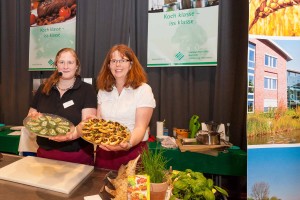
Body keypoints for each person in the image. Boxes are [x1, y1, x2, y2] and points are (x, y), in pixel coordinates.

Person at [27, 48, 97, 165]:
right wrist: (33, 119)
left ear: (76, 66)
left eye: (70, 62)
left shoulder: (87, 90)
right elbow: (30, 116)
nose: (66, 66)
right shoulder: (43, 89)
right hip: (45, 155)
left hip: (77, 156)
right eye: (62, 62)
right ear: (56, 65)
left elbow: (87, 124)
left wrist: (71, 136)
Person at [95, 44, 156, 170]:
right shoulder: (103, 90)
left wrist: (128, 143)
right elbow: (100, 122)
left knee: (132, 189)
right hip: (105, 153)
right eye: (114, 61)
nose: (118, 65)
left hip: (133, 152)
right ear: (108, 65)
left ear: (131, 64)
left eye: (122, 60)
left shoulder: (143, 90)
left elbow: (140, 127)